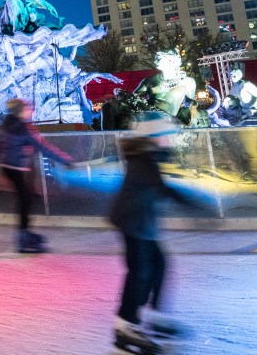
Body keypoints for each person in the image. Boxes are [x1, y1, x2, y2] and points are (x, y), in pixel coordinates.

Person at [109, 112, 195, 353]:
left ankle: (155, 317)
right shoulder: (143, 159)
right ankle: (125, 326)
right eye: (164, 136)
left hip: (141, 220)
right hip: (134, 222)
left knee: (158, 265)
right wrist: (193, 203)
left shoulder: (146, 154)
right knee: (140, 272)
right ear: (152, 137)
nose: (168, 140)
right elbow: (161, 188)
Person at [0, 98, 73, 253]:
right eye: (28, 109)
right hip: (17, 168)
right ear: (21, 111)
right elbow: (44, 147)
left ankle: (24, 232)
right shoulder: (24, 128)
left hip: (7, 167)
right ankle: (23, 237)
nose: (30, 111)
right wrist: (65, 160)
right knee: (25, 200)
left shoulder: (6, 125)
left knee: (26, 198)